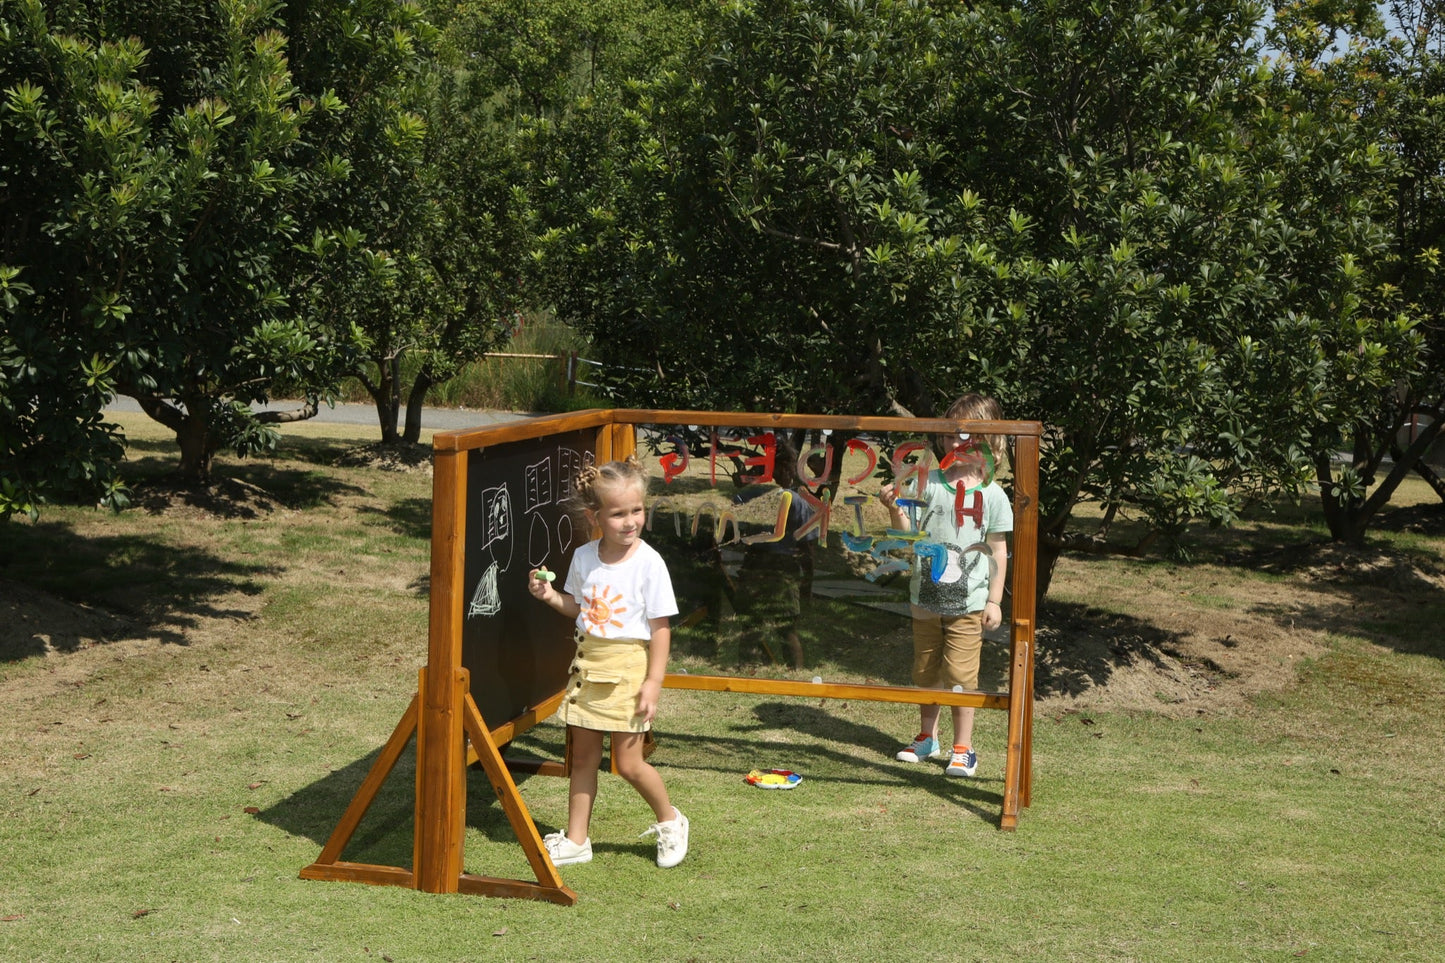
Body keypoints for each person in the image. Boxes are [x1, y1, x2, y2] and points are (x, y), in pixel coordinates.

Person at [528, 457, 690, 868]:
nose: (630, 521)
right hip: (588, 667)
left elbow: (661, 628)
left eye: (636, 510)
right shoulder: (584, 557)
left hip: (629, 671)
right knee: (582, 760)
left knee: (630, 764)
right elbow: (578, 608)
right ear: (594, 516)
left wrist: (654, 682)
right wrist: (549, 598)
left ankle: (671, 821)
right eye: (618, 513)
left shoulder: (649, 563)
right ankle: (578, 840)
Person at [879, 393, 1013, 778]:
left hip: (969, 604)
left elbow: (998, 553)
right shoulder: (929, 483)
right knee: (926, 671)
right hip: (925, 599)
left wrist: (994, 601)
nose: (958, 443)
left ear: (990, 441)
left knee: (960, 676)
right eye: (951, 435)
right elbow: (907, 535)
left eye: (968, 435)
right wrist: (894, 508)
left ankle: (963, 748)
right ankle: (927, 737)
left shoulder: (993, 495)